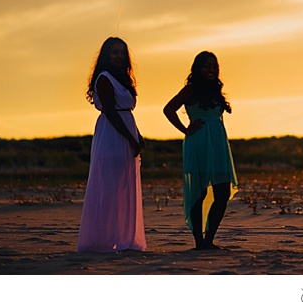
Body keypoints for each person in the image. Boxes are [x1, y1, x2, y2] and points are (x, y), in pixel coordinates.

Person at [77, 37, 146, 252]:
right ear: (106, 55)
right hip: (112, 135)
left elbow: (125, 112)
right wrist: (130, 137)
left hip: (125, 131)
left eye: (121, 52)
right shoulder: (104, 78)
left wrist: (138, 135)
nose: (118, 56)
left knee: (123, 186)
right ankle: (104, 239)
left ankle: (123, 237)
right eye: (114, 52)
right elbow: (110, 112)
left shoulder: (124, 79)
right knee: (110, 187)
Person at [163, 51, 237, 250]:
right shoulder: (190, 89)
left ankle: (209, 239)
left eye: (214, 66)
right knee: (199, 191)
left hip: (218, 143)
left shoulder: (216, 90)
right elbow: (168, 109)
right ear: (197, 68)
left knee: (222, 192)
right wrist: (185, 130)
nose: (210, 70)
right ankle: (199, 241)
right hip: (199, 142)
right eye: (206, 66)